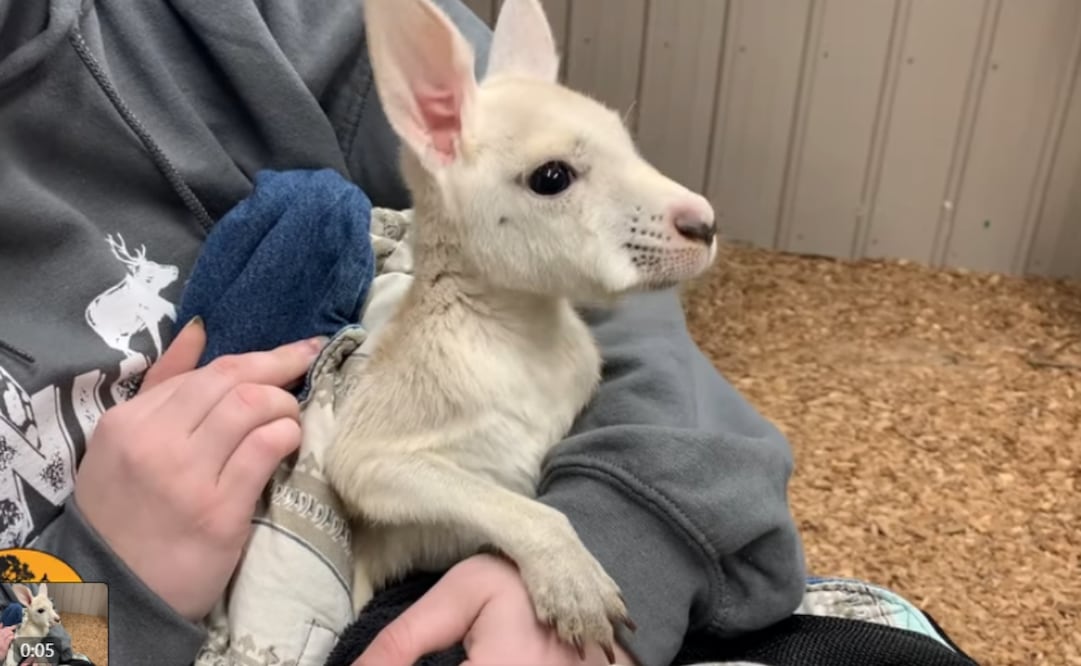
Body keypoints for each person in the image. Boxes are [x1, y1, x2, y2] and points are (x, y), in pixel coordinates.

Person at [0, 1, 805, 664]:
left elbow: (585, 267)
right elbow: (371, 467)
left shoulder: (248, 22)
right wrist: (104, 586)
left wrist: (614, 536)